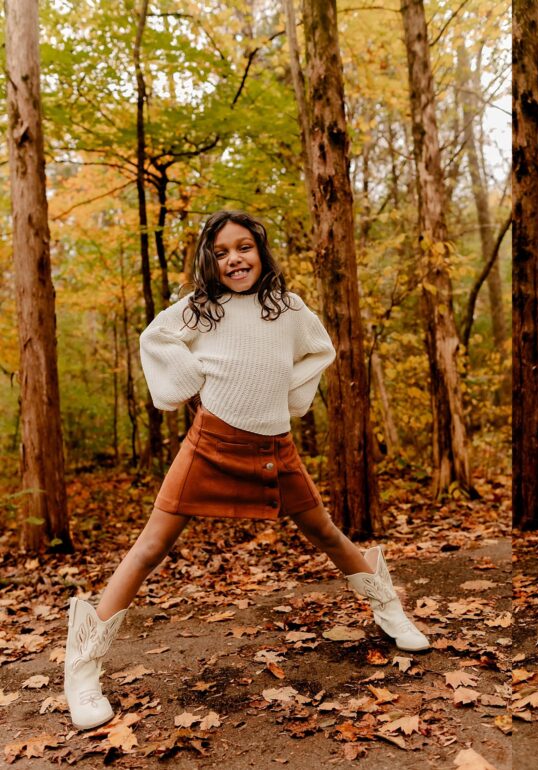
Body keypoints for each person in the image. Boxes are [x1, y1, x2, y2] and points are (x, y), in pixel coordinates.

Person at [63, 211, 429, 731]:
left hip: (274, 446)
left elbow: (320, 350)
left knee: (324, 530)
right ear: (209, 261)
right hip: (209, 443)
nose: (234, 259)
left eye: (244, 247)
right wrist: (191, 379)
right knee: (149, 547)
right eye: (221, 252)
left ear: (260, 250)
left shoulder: (288, 308)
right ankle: (82, 665)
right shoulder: (199, 310)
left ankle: (388, 607)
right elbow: (155, 338)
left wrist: (289, 394)